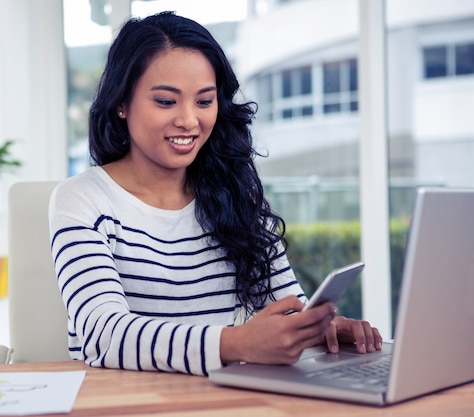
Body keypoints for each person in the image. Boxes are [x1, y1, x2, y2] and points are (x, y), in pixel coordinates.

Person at [48, 11, 382, 376]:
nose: (190, 120)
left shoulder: (230, 192)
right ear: (121, 104)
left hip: (223, 398)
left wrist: (319, 330)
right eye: (166, 102)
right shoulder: (83, 199)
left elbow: (289, 307)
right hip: (124, 402)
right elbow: (104, 336)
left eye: (204, 102)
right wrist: (236, 343)